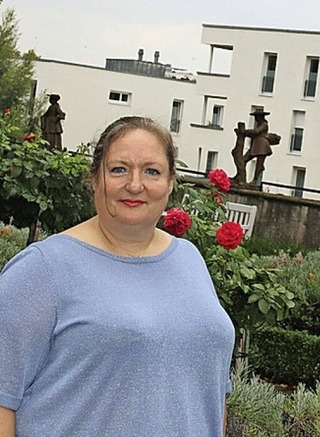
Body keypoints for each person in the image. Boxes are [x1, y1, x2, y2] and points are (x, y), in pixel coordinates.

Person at [0, 116, 235, 436]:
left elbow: (209, 392)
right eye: (119, 169)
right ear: (95, 179)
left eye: (152, 171)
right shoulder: (43, 269)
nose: (135, 185)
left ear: (170, 183)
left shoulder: (189, 260)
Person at [243, 109, 273, 184]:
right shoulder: (259, 124)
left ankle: (255, 180)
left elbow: (256, 132)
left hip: (262, 146)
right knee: (244, 160)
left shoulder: (264, 124)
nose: (255, 118)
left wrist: (246, 132)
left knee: (259, 164)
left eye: (257, 116)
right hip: (255, 145)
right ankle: (241, 176)